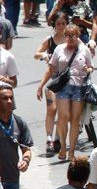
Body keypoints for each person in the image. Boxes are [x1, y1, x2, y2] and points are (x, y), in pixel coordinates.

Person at [37, 24, 93, 161]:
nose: (71, 38)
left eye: (73, 35)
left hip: (78, 87)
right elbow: (50, 69)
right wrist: (41, 86)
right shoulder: (59, 49)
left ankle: (71, 151)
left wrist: (87, 70)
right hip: (63, 87)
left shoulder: (84, 50)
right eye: (68, 36)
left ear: (78, 36)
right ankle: (62, 146)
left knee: (75, 120)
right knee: (63, 117)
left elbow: (91, 67)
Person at [33, 12, 68, 154]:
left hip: (67, 80)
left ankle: (58, 138)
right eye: (58, 24)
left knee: (63, 111)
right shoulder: (50, 40)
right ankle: (48, 138)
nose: (60, 27)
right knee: (52, 109)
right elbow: (36, 54)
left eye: (63, 24)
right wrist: (44, 55)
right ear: (54, 25)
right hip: (53, 80)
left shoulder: (71, 38)